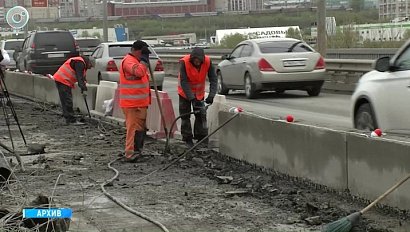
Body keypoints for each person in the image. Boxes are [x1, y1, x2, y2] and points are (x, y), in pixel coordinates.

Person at [178, 47, 217, 147]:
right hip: (184, 93)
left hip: (199, 94)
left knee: (201, 116)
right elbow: (184, 82)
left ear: (202, 59)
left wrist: (211, 95)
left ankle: (202, 138)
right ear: (192, 59)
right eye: (195, 60)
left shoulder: (208, 62)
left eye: (199, 60)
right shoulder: (184, 62)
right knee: (185, 116)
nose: (197, 62)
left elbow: (213, 79)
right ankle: (187, 139)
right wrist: (192, 98)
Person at [119, 40, 151, 162]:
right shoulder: (128, 61)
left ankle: (137, 151)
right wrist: (144, 60)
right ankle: (129, 153)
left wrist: (143, 60)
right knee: (132, 129)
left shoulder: (136, 61)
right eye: (142, 53)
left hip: (140, 103)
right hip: (131, 104)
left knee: (140, 129)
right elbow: (139, 72)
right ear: (137, 51)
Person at [53, 56, 92, 125]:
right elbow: (79, 78)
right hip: (63, 80)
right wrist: (83, 88)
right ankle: (71, 120)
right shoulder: (80, 63)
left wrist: (83, 86)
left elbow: (82, 78)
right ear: (89, 62)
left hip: (62, 80)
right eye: (90, 66)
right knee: (67, 100)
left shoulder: (81, 63)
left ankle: (68, 117)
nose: (90, 68)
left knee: (65, 100)